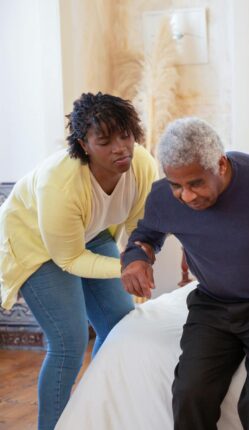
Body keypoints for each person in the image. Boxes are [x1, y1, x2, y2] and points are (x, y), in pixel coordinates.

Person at [120, 117, 249, 430]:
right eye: (177, 185)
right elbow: (145, 235)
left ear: (220, 164)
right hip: (214, 305)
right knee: (190, 392)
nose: (186, 195)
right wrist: (136, 259)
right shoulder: (163, 197)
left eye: (196, 183)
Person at [0, 92, 157, 430]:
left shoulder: (142, 164)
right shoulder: (61, 183)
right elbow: (69, 258)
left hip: (91, 230)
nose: (120, 148)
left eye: (126, 135)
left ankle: (92, 414)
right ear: (84, 144)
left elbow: (139, 226)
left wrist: (140, 258)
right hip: (36, 243)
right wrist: (125, 267)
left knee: (119, 325)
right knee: (69, 341)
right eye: (105, 140)